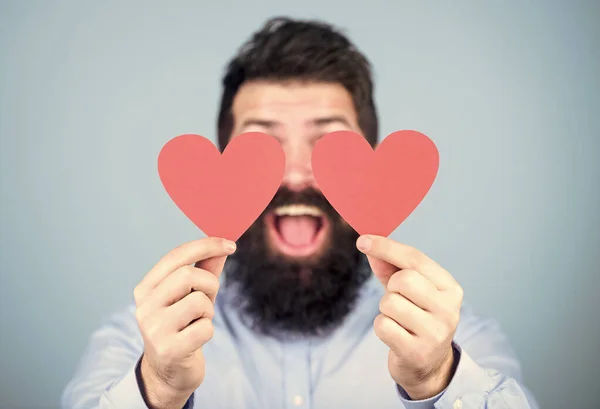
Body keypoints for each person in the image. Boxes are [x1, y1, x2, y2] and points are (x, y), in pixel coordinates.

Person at [61, 17, 539, 409]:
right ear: (223, 159)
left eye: (328, 142)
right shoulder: (135, 342)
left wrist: (438, 379)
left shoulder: (457, 340)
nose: (293, 173)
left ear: (370, 158)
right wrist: (159, 389)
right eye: (261, 143)